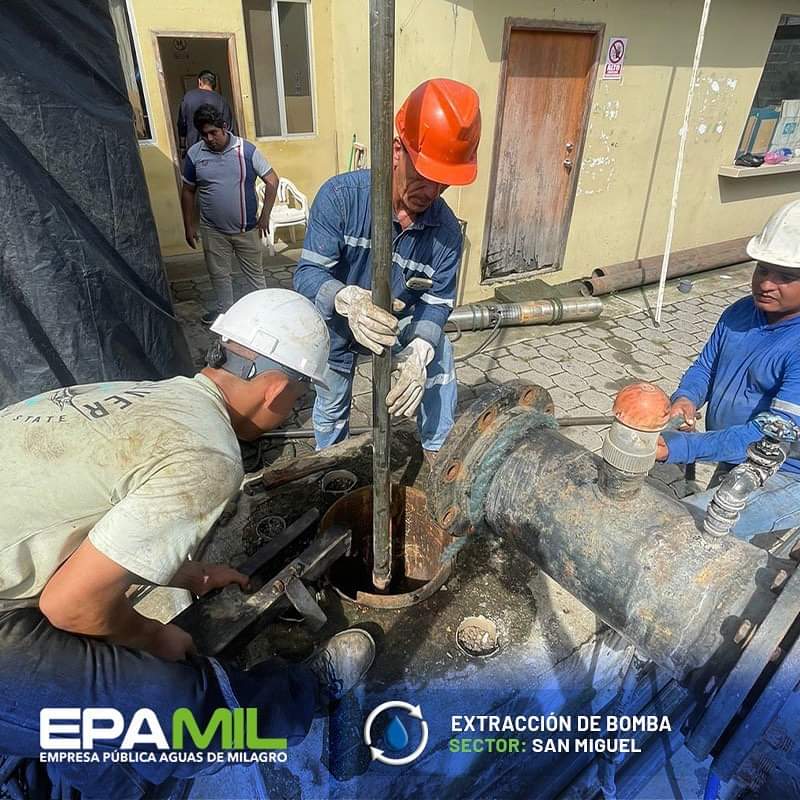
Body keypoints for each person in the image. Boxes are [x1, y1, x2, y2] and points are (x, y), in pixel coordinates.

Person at [0, 289, 375, 798]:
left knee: (83, 729)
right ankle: (303, 696)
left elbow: (75, 516)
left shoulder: (151, 396)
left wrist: (179, 570)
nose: (295, 409)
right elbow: (71, 605)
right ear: (275, 390)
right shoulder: (211, 454)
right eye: (300, 395)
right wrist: (153, 637)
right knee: (171, 707)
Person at [293, 78, 481, 461]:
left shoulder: (446, 233)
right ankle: (332, 469)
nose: (432, 192)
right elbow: (307, 277)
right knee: (331, 405)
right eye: (425, 177)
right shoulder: (341, 199)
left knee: (439, 353)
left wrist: (419, 353)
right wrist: (347, 299)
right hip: (340, 322)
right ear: (397, 151)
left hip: (398, 324)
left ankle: (436, 456)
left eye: (444, 183)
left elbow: (437, 303)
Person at [657, 199, 800, 540]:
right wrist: (686, 397)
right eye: (763, 269)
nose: (766, 284)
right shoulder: (739, 312)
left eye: (785, 277)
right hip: (733, 452)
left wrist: (681, 447)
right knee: (712, 535)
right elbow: (706, 367)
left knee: (692, 534)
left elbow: (769, 437)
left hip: (786, 472)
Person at [181, 104, 279, 326]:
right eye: (204, 134)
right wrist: (189, 225)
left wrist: (265, 216)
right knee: (219, 276)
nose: (209, 138)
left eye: (213, 132)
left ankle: (263, 315)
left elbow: (272, 180)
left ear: (224, 127)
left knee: (255, 276)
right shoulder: (195, 154)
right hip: (213, 230)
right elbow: (188, 191)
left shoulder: (246, 151)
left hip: (247, 229)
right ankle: (225, 315)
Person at [177, 69, 236, 157]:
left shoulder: (188, 98)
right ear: (214, 85)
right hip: (217, 151)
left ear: (199, 82)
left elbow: (182, 125)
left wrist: (182, 147)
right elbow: (228, 128)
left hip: (195, 150)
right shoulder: (221, 100)